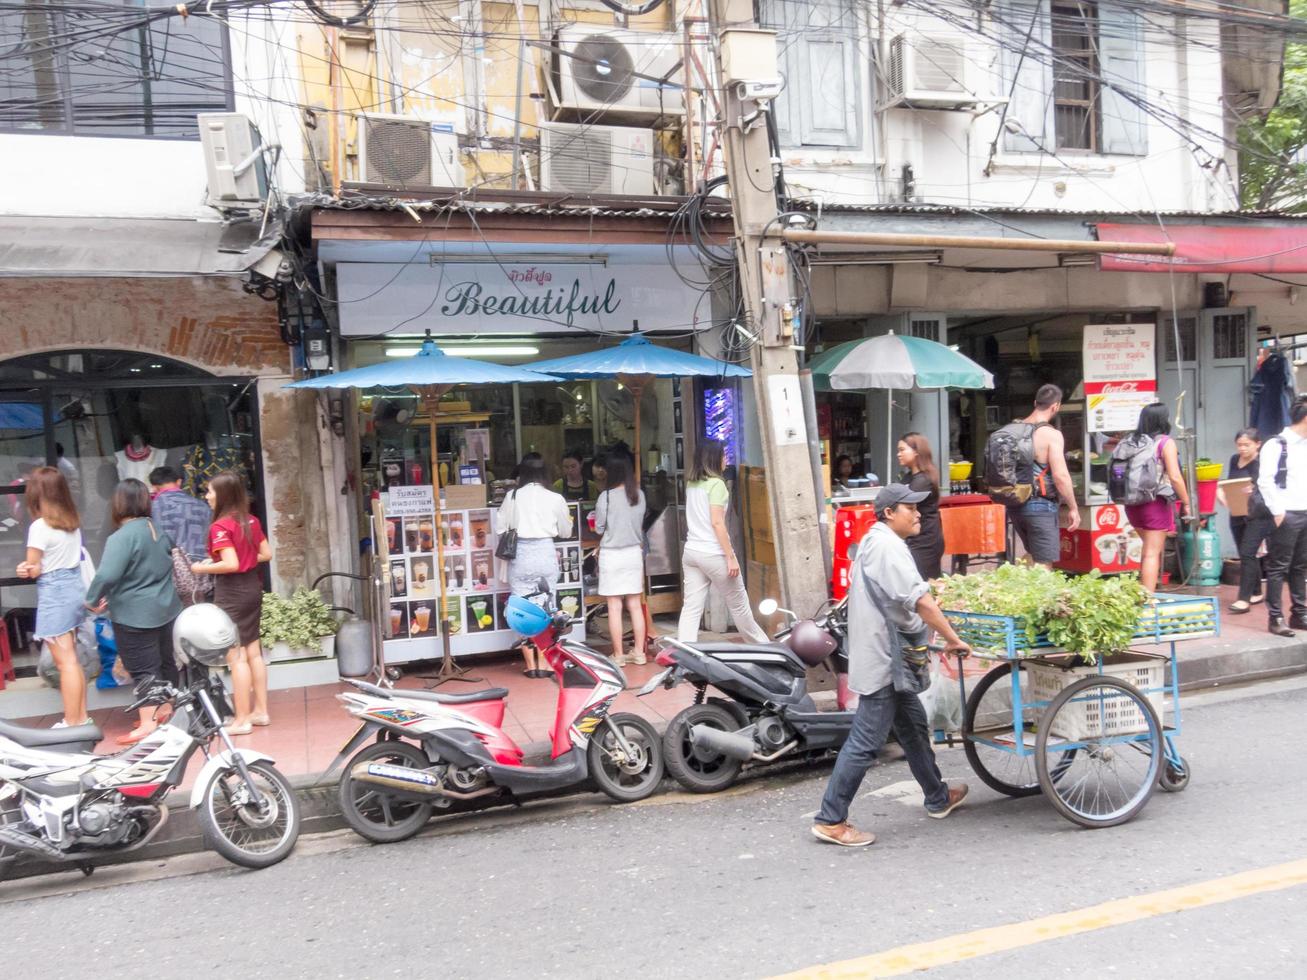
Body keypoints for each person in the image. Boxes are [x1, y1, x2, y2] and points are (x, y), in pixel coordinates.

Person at [811, 483, 971, 847]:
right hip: (886, 658)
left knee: (913, 727)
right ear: (888, 513)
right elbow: (923, 603)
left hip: (885, 655)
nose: (917, 514)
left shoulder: (874, 541)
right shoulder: (887, 548)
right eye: (909, 508)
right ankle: (831, 818)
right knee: (866, 740)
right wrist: (952, 638)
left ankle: (937, 795)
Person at [85, 479, 183, 745]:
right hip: (166, 608)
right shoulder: (157, 528)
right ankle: (165, 709)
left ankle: (148, 724)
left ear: (118, 503)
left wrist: (92, 598)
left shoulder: (122, 536)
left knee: (142, 667)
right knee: (165, 661)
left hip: (134, 613)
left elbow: (107, 573)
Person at [190, 472, 272, 734]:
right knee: (253, 652)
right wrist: (246, 560)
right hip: (252, 588)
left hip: (232, 592)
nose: (207, 497)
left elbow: (231, 564)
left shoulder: (220, 527)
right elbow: (266, 554)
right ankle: (260, 712)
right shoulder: (251, 520)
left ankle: (242, 719)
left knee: (235, 657)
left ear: (222, 495)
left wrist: (201, 568)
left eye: (210, 492)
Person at [16, 467, 89, 728]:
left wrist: (24, 568)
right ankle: (81, 717)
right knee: (72, 660)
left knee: (65, 662)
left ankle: (72, 721)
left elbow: (34, 568)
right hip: (73, 588)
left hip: (54, 591)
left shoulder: (39, 526)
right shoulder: (71, 521)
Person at [677, 440, 769, 644]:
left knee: (691, 608)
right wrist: (731, 557)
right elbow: (717, 523)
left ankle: (683, 654)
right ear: (714, 458)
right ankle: (765, 649)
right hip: (713, 553)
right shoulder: (717, 485)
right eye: (724, 455)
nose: (726, 459)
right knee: (740, 607)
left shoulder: (692, 483)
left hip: (692, 552)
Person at [497, 455, 573, 677]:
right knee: (547, 607)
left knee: (521, 608)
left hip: (520, 554)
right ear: (545, 473)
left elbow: (500, 528)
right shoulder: (555, 497)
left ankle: (531, 667)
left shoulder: (512, 496)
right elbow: (565, 531)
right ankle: (547, 663)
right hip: (545, 553)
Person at [1006, 385, 1081, 566]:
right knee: (1044, 564)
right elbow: (1061, 476)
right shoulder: (1051, 434)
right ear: (1056, 406)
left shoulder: (1012, 430)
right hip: (1040, 504)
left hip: (1015, 504)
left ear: (1035, 403)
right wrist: (1073, 507)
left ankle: (1018, 588)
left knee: (1032, 555)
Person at [1123, 403, 1193, 594]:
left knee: (1148, 550)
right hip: (1154, 503)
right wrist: (1187, 502)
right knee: (1152, 553)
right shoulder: (1164, 442)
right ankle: (1148, 600)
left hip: (1131, 503)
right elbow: (1175, 477)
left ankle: (1142, 594)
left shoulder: (1131, 440)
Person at [1256, 398, 1307, 637]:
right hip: (1286, 513)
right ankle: (1275, 617)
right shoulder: (1276, 444)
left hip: (1304, 511)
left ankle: (1300, 613)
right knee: (1278, 567)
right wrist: (1278, 512)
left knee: (1300, 566)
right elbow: (1265, 481)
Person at [595, 453, 647, 666]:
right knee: (634, 604)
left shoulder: (605, 497)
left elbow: (599, 527)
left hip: (612, 555)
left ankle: (619, 655)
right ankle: (639, 652)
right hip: (634, 553)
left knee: (614, 606)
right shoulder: (639, 495)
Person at [1219, 429, 1268, 613]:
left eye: (1246, 445)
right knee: (1245, 552)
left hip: (1256, 513)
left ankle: (1244, 599)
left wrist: (1253, 490)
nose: (1242, 448)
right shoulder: (1234, 459)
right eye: (1239, 444)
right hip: (1237, 511)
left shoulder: (1262, 463)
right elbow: (1229, 482)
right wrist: (1221, 491)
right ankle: (1256, 591)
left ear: (1258, 444)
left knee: (1248, 553)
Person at [897, 432, 944, 579]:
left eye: (902, 450)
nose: (899, 454)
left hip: (924, 540)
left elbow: (901, 502)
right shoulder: (909, 477)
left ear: (916, 451)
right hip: (914, 538)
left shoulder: (923, 480)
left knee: (923, 585)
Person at [149, 465, 212, 560]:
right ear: (179, 482)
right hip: (203, 563)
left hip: (174, 565)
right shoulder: (203, 506)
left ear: (154, 487)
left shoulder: (154, 506)